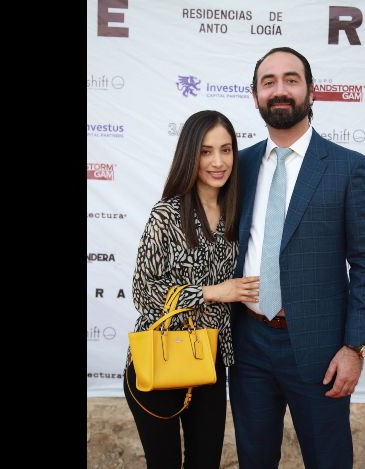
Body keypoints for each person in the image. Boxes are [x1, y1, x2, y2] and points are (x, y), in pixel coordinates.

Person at [229, 47, 365, 469]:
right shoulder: (236, 166)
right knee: (254, 460)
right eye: (269, 82)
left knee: (329, 460)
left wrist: (355, 346)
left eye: (291, 80)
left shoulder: (346, 167)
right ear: (255, 95)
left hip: (321, 352)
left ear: (311, 91)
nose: (280, 90)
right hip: (248, 345)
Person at [124, 110, 260, 469]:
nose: (218, 161)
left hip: (209, 362)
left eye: (226, 149)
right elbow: (143, 290)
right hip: (159, 359)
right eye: (205, 151)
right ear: (190, 155)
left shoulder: (238, 215)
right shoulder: (167, 214)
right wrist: (213, 292)